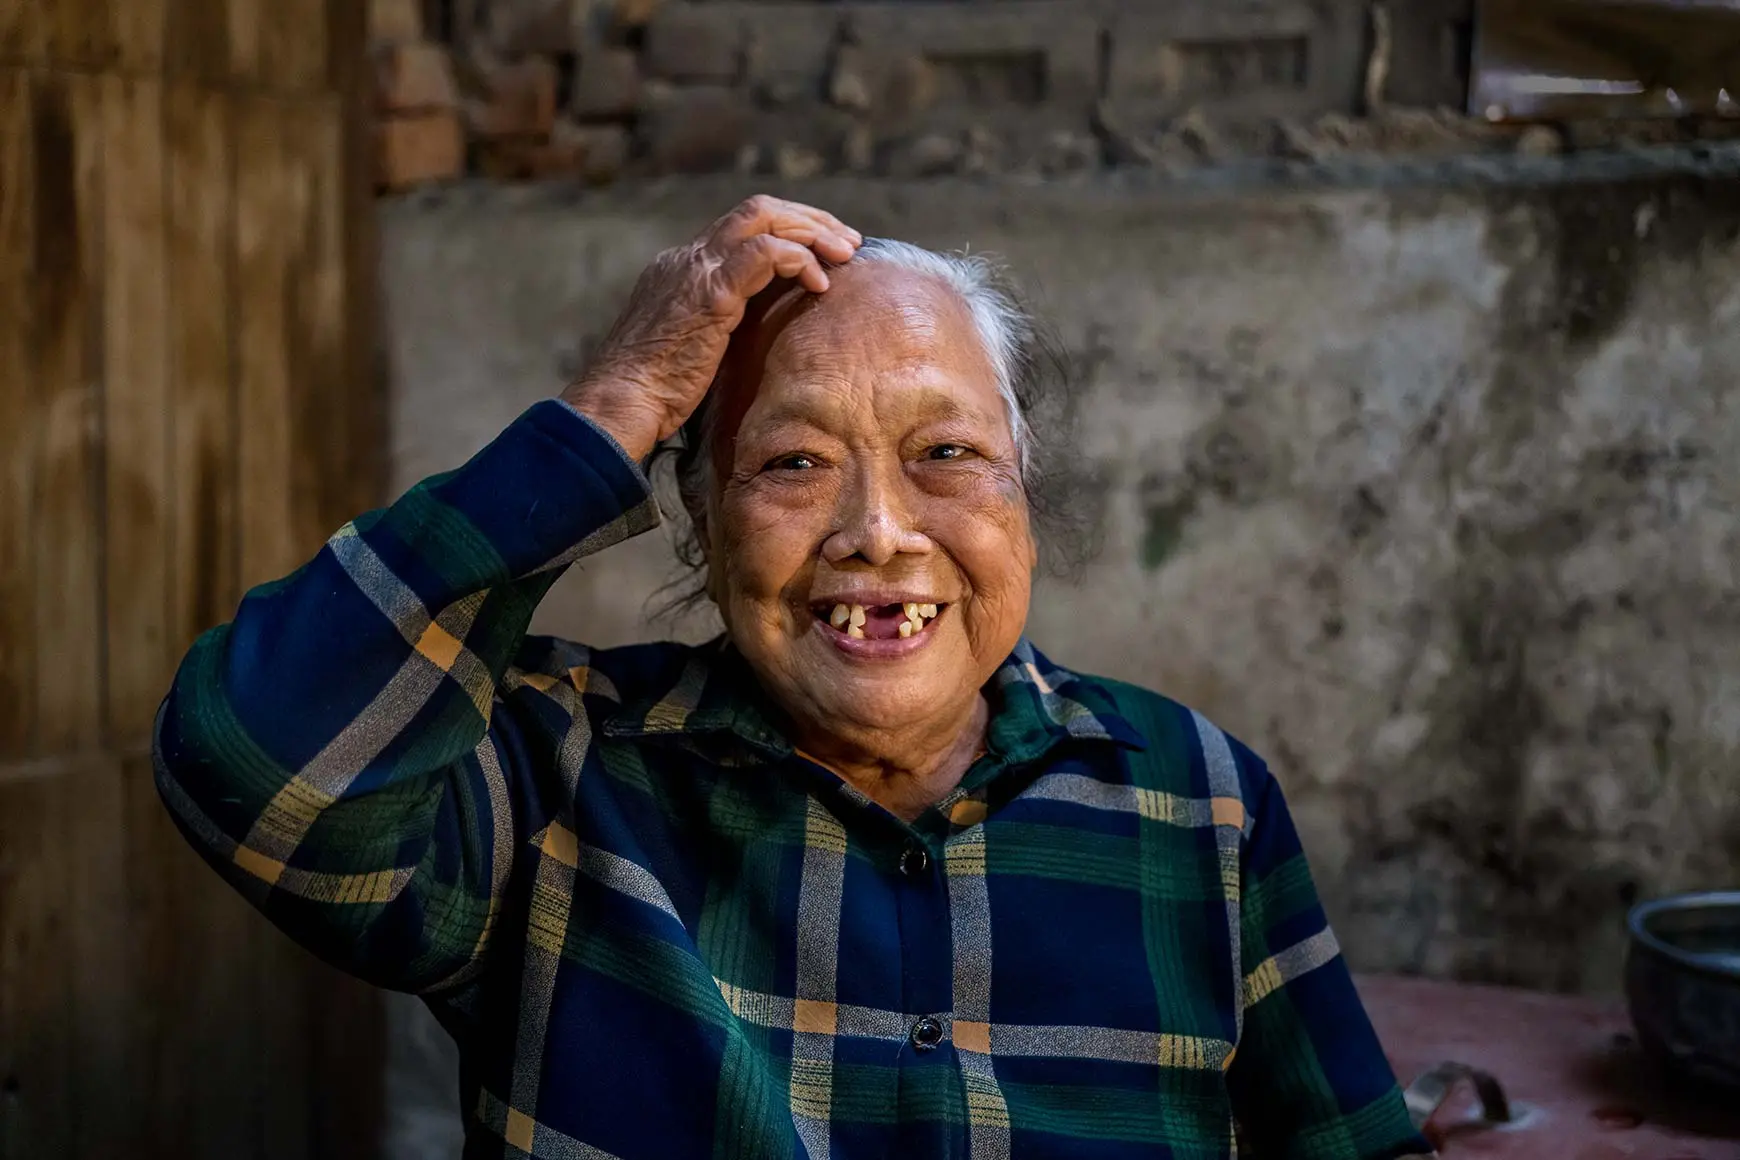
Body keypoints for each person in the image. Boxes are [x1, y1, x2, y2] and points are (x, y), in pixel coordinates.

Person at [154, 196, 1433, 1159]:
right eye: (791, 465)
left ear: (1022, 499)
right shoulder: (558, 777)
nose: (879, 530)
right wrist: (619, 399)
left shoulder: (1199, 801)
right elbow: (251, 761)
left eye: (945, 452)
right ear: (702, 528)